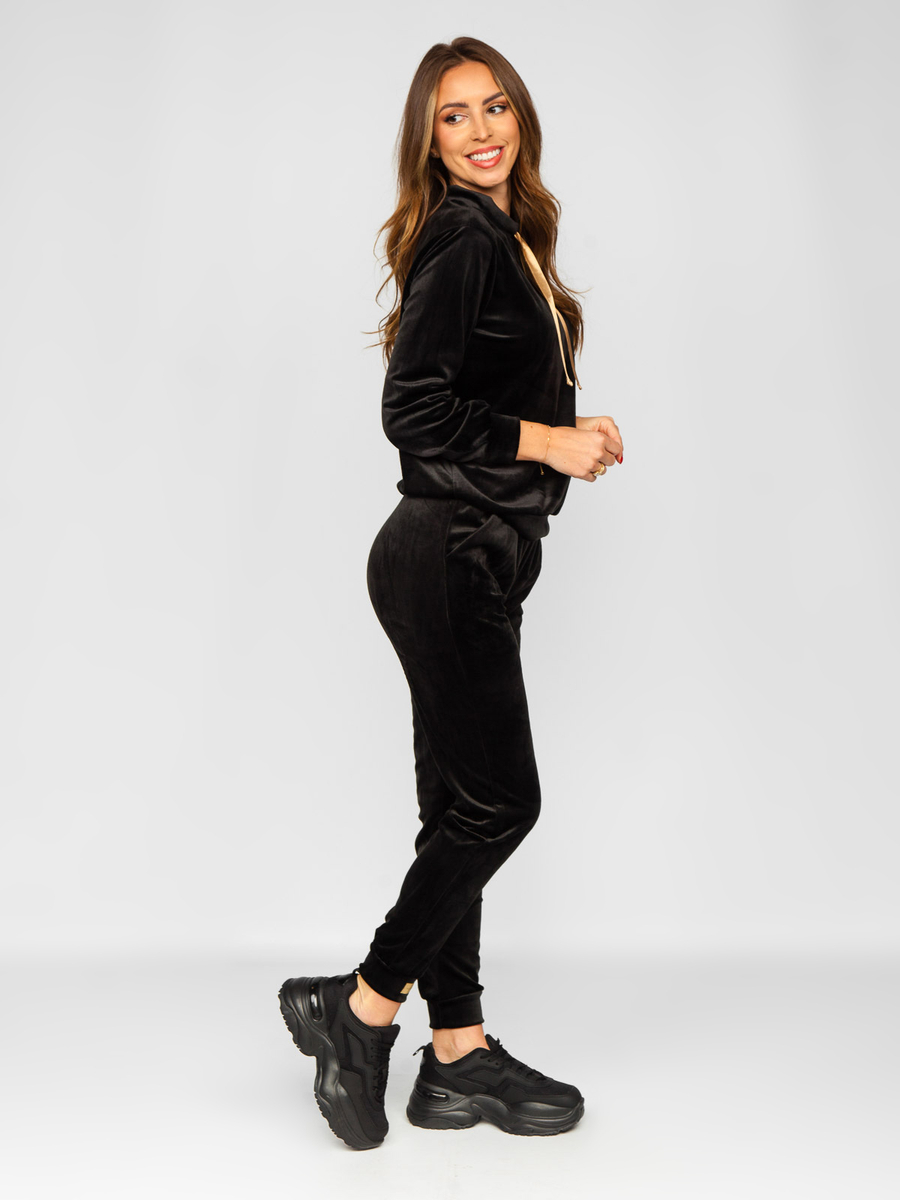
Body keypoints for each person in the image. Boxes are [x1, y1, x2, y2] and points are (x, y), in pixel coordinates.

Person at [278, 36, 624, 1151]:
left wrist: (564, 428)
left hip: (473, 551)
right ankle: (362, 1006)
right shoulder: (463, 236)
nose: (481, 131)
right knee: (499, 805)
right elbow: (413, 409)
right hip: (447, 554)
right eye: (454, 116)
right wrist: (547, 442)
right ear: (427, 141)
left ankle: (459, 1055)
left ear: (521, 117)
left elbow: (477, 393)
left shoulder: (507, 234)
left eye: (496, 107)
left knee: (459, 810)